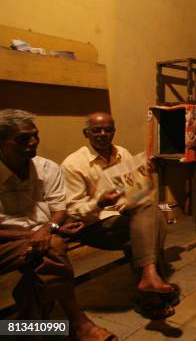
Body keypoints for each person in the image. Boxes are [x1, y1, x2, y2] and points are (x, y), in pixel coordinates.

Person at [0, 109, 117, 340]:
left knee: (46, 252)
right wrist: (46, 231)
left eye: (35, 135)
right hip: (7, 240)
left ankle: (33, 322)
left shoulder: (46, 167)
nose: (33, 142)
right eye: (23, 138)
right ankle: (77, 322)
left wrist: (49, 228)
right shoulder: (75, 162)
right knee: (52, 248)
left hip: (39, 237)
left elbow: (59, 210)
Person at [61, 112, 177, 319]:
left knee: (151, 213)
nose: (103, 134)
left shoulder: (122, 152)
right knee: (148, 226)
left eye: (108, 129)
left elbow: (133, 186)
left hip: (125, 212)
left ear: (114, 131)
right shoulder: (73, 164)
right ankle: (150, 290)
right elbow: (73, 210)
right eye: (97, 130)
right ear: (86, 133)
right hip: (94, 224)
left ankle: (149, 284)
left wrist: (145, 173)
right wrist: (99, 202)